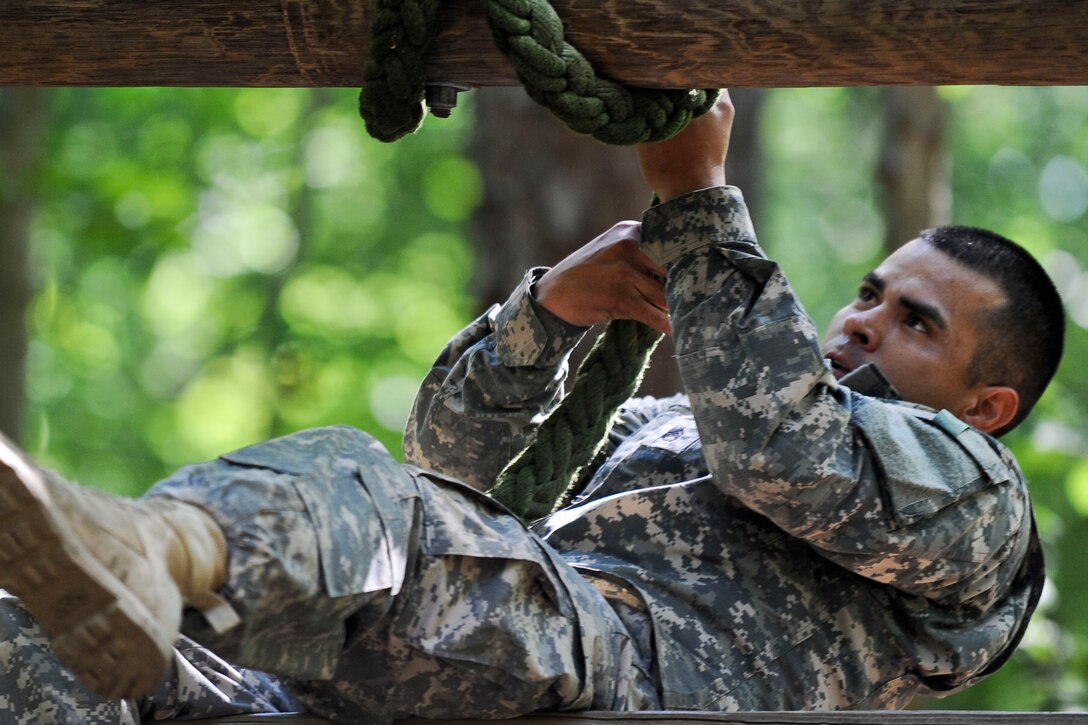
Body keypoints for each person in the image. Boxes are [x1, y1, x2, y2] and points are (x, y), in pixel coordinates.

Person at [0, 92, 1065, 723]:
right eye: (869, 292)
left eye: (916, 321)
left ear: (987, 402)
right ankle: (138, 563)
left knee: (372, 494)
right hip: (435, 672)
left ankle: (158, 548)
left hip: (611, 685)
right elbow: (453, 470)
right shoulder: (676, 429)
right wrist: (548, 313)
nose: (864, 321)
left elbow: (782, 450)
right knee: (30, 636)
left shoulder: (975, 498)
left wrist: (696, 200)